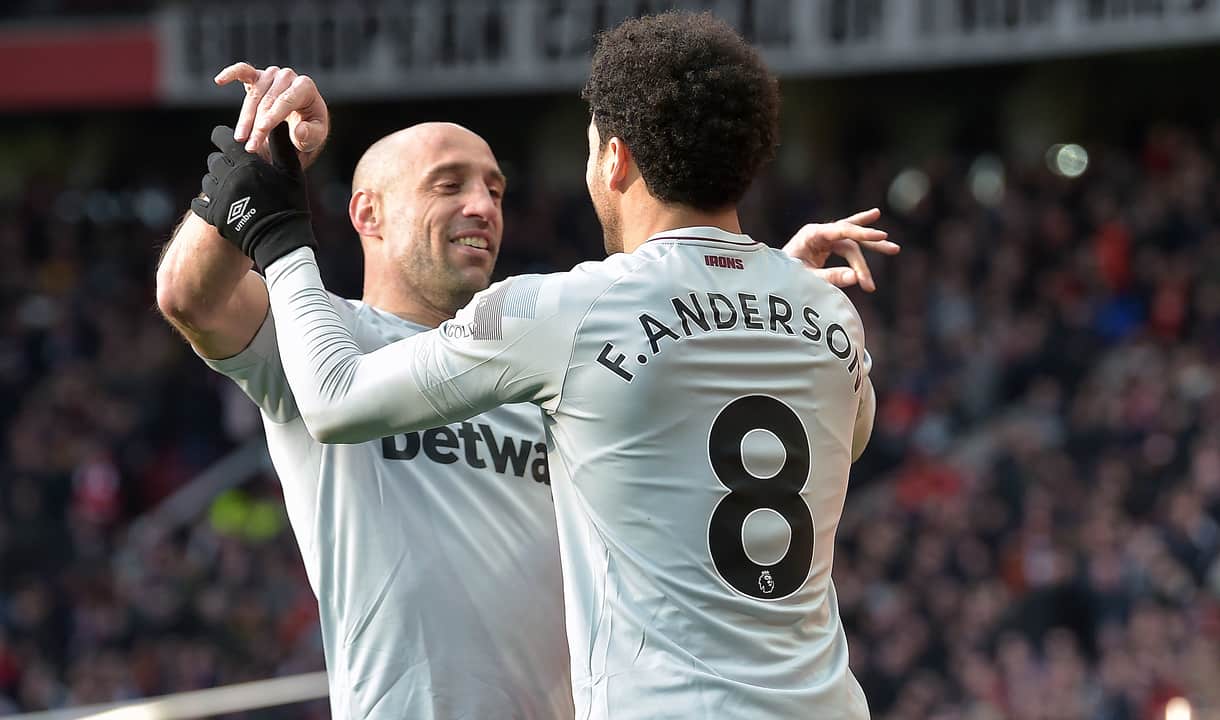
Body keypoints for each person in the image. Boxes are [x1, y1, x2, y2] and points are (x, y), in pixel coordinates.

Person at [165, 50, 894, 719]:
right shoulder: (323, 333)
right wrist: (246, 176)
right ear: (367, 213)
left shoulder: (550, 346)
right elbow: (191, 300)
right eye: (447, 185)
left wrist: (745, 290)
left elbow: (686, 367)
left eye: (495, 188)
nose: (482, 205)